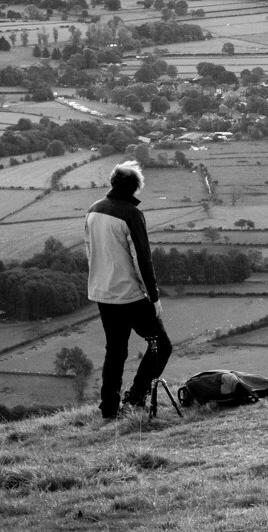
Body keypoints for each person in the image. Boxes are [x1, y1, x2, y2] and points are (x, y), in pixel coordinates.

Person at [85, 160, 172, 419]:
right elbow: (142, 259)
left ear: (113, 182)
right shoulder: (131, 214)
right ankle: (135, 399)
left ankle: (109, 409)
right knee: (161, 345)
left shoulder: (93, 210)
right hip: (130, 295)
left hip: (102, 292)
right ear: (135, 187)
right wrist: (154, 297)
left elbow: (90, 253)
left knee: (115, 351)